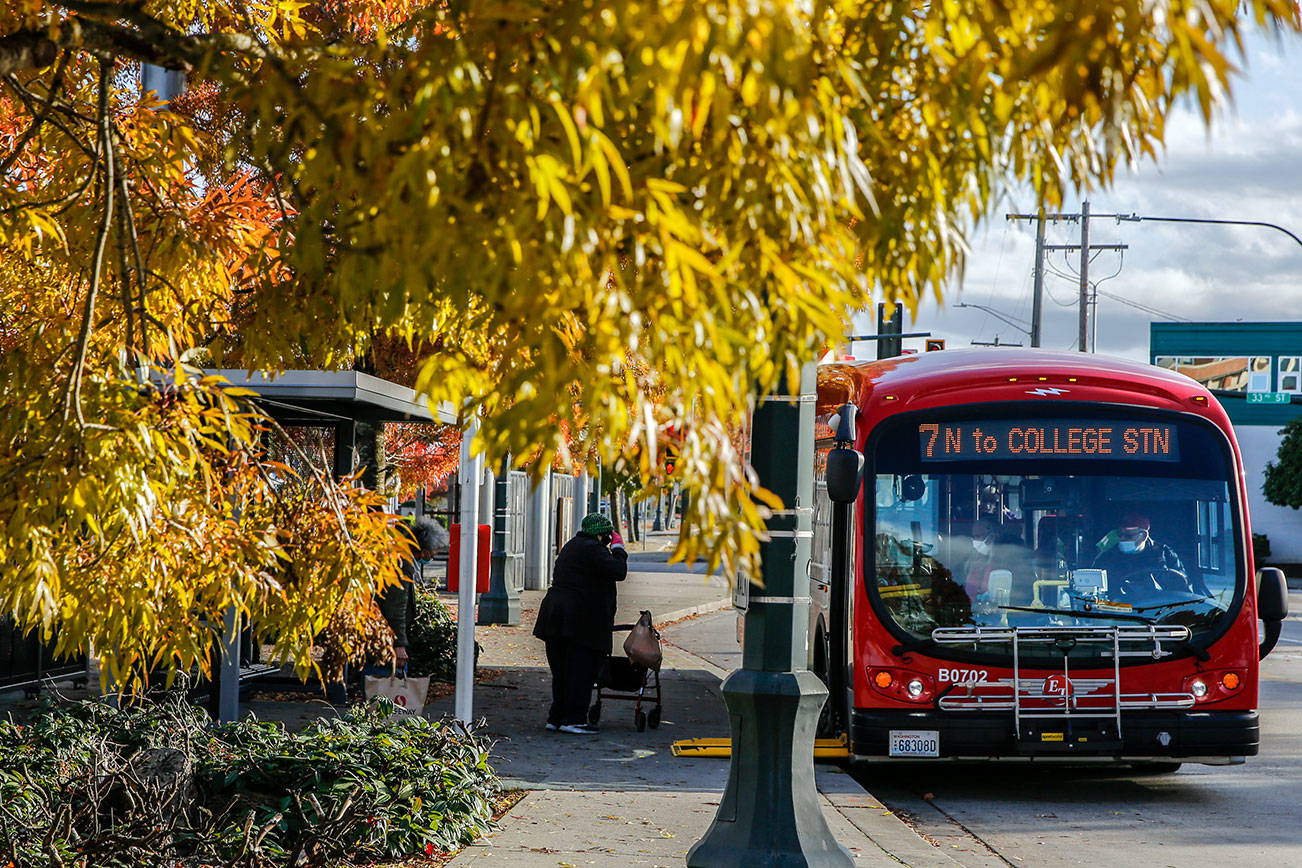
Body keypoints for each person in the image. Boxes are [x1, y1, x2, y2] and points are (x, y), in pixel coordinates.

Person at [532, 513, 628, 734]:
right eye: (608, 535)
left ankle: (556, 717)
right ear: (602, 535)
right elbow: (618, 571)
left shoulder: (572, 546)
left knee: (562, 672)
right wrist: (619, 549)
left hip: (556, 617)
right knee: (581, 671)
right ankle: (574, 719)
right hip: (581, 621)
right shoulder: (593, 550)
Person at [378, 515, 443, 670]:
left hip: (384, 633)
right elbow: (396, 607)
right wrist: (399, 644)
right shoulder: (403, 564)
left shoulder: (401, 557)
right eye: (435, 550)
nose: (435, 554)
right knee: (387, 683)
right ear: (425, 551)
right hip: (388, 638)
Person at [1092, 512, 1192, 601]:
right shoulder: (1108, 556)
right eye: (1120, 535)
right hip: (1121, 610)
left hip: (1158, 609)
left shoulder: (1165, 554)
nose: (1122, 539)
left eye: (1129, 536)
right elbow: (1093, 589)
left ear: (1144, 536)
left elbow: (1183, 587)